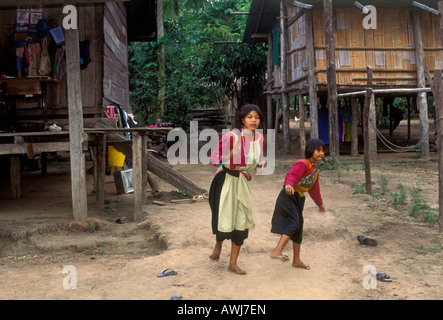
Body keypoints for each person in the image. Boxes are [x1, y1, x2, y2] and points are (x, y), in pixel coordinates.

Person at [208, 104, 266, 275]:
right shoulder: (231, 137)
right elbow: (214, 159)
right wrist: (232, 153)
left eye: (256, 117)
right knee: (223, 217)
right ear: (242, 120)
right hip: (224, 180)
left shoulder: (260, 139)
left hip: (241, 182)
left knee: (241, 220)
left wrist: (260, 164)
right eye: (249, 117)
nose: (253, 120)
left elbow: (257, 158)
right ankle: (218, 245)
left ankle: (233, 263)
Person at [270, 138, 326, 270]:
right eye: (318, 150)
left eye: (323, 151)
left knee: (298, 229)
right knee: (294, 224)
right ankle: (277, 251)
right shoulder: (303, 163)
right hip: (289, 196)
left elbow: (314, 190)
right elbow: (292, 174)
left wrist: (320, 204)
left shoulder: (314, 171)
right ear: (311, 150)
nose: (322, 153)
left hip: (299, 199)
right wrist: (288, 184)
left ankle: (296, 260)